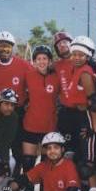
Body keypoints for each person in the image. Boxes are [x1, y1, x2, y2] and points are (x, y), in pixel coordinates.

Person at [67, 36, 96, 191]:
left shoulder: (85, 72)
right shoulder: (76, 69)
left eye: (81, 54)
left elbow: (94, 103)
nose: (77, 57)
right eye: (74, 54)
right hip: (81, 118)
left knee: (89, 164)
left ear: (87, 56)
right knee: (82, 162)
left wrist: (94, 129)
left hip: (88, 119)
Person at [0, 31, 32, 171]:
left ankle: (16, 183)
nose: (4, 49)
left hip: (17, 113)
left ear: (12, 48)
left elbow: (34, 85)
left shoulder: (24, 65)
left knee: (18, 152)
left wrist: (29, 103)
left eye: (7, 46)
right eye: (1, 46)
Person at [21, 45, 59, 173]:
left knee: (46, 164)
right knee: (27, 163)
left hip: (49, 127)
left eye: (44, 58)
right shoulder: (28, 75)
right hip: (30, 125)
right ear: (34, 61)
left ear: (49, 61)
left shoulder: (56, 77)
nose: (42, 61)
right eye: (38, 59)